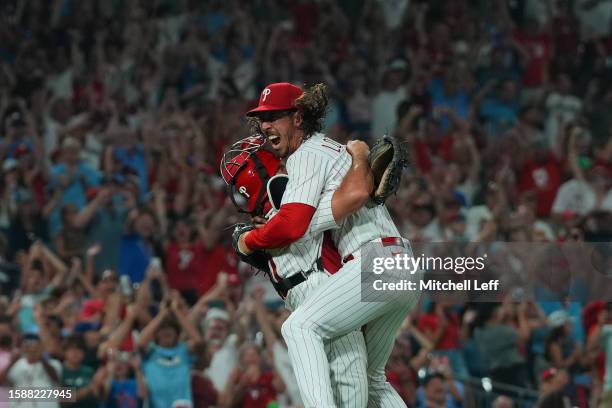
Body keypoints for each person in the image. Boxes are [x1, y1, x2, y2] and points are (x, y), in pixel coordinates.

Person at [235, 82, 419, 407]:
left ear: (297, 118)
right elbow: (314, 218)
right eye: (262, 119)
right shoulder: (334, 151)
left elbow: (293, 224)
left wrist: (250, 241)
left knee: (299, 328)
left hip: (373, 260)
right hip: (400, 260)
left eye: (275, 116)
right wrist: (361, 155)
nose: (265, 126)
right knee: (374, 380)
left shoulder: (305, 154)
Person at [221, 135, 374, 406]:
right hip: (324, 290)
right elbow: (353, 194)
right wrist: (360, 158)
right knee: (351, 392)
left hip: (308, 294)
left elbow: (252, 241)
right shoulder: (290, 196)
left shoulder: (250, 231)